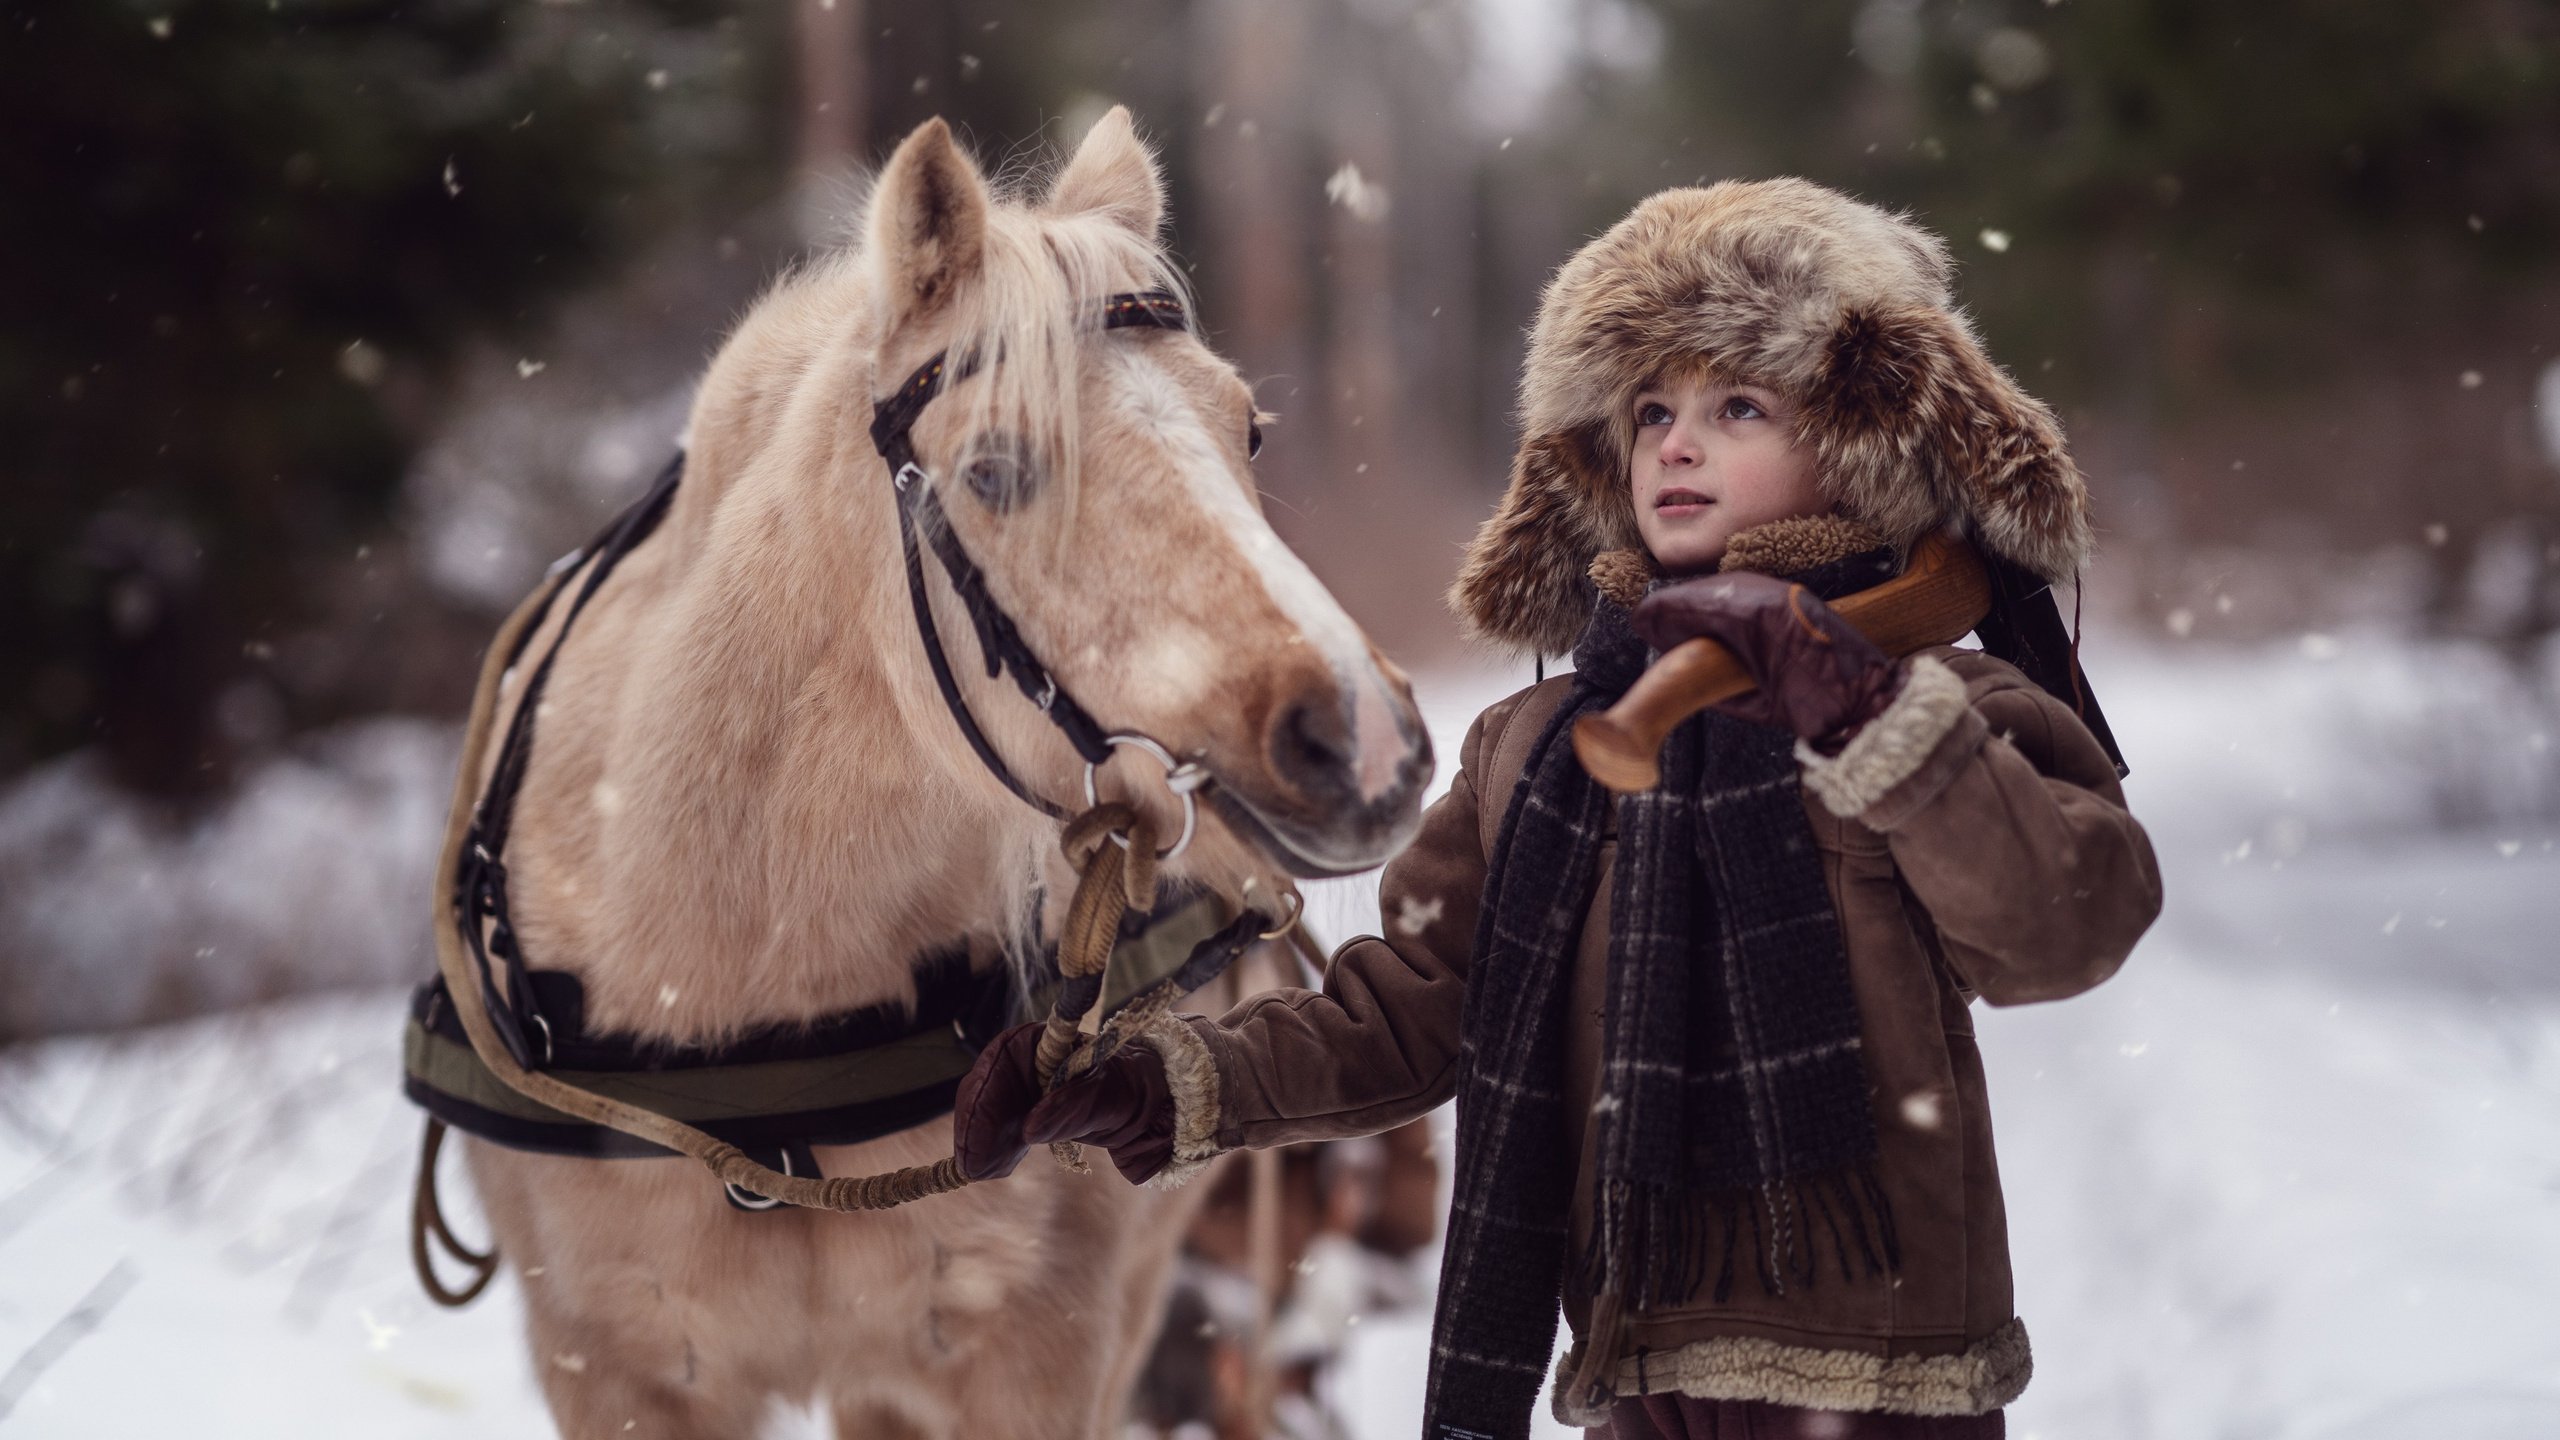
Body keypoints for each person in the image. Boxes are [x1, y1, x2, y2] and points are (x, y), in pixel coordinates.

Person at [954, 178, 2162, 1440]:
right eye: (1650, 415)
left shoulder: (1931, 703)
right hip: (1632, 1378)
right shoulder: (1541, 746)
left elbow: (2062, 926)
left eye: (1737, 404)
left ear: (1860, 450)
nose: (1676, 446)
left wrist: (1858, 712)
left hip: (1880, 1385)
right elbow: (1408, 1013)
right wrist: (1163, 1084)